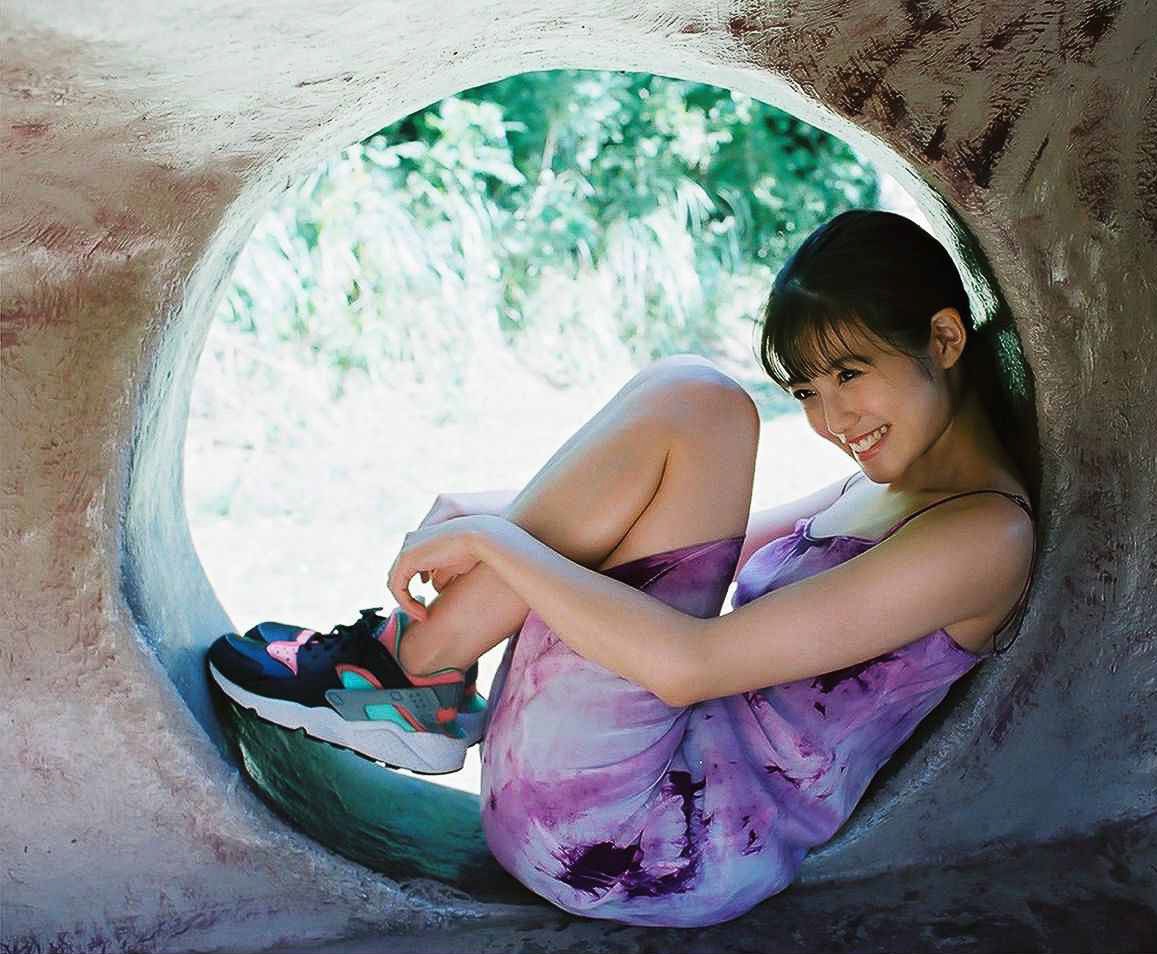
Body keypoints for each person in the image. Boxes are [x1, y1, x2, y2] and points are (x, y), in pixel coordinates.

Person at [206, 208, 1038, 927]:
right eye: (806, 392)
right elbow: (673, 529)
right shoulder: (881, 485)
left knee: (700, 402)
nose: (832, 418)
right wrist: (493, 512)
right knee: (692, 401)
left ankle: (412, 667)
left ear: (943, 339)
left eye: (849, 373)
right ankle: (410, 671)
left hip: (655, 843)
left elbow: (689, 665)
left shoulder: (984, 537)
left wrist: (498, 543)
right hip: (605, 794)